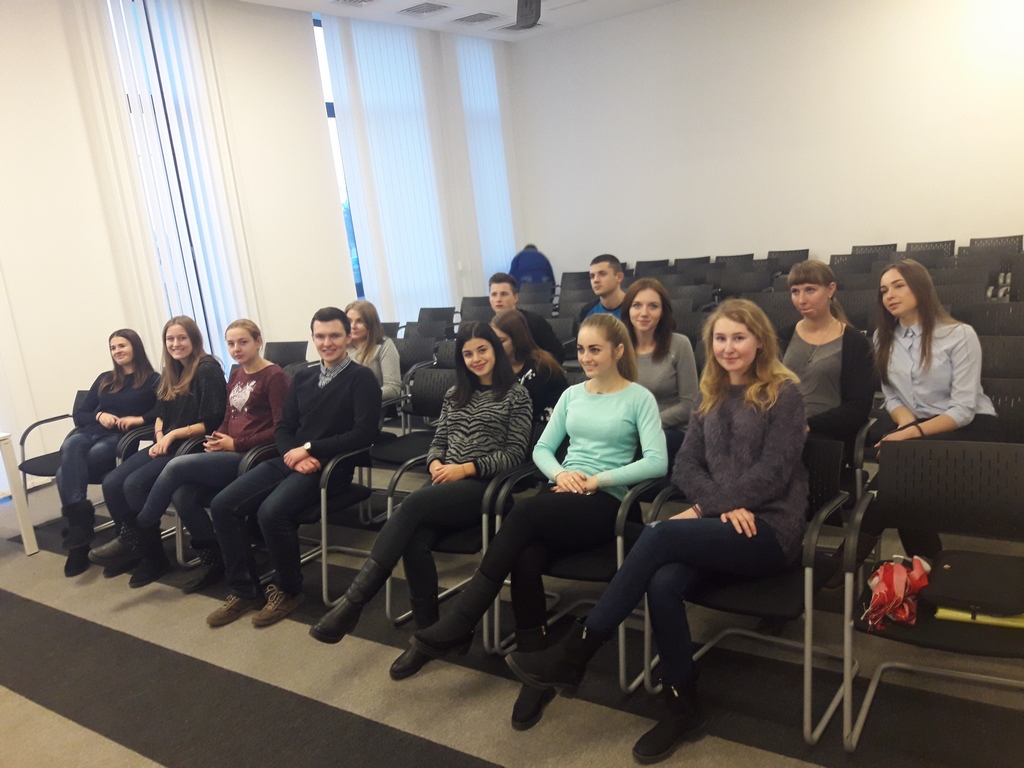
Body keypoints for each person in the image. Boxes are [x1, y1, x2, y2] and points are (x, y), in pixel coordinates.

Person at [506, 299, 808, 764]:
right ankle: (682, 704)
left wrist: (709, 507)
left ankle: (577, 651)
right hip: (721, 523)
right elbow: (685, 467)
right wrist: (718, 507)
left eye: (739, 337)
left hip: (771, 527)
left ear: (761, 341)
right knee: (663, 582)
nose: (728, 347)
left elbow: (774, 472)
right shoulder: (710, 393)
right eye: (720, 338)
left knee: (660, 534)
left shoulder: (784, 393)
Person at [408, 314, 667, 732]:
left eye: (595, 349)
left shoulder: (638, 398)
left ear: (618, 351)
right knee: (525, 554)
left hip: (608, 502)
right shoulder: (572, 394)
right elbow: (542, 449)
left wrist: (596, 480)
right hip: (563, 494)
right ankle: (536, 667)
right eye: (581, 349)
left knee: (524, 512)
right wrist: (561, 474)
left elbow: (657, 461)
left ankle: (462, 618)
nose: (585, 357)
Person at [307, 323, 533, 678]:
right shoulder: (455, 393)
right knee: (413, 539)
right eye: (468, 353)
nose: (476, 359)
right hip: (443, 487)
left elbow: (515, 454)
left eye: (482, 350)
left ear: (495, 351)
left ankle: (353, 603)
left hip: (486, 490)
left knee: (409, 506)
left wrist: (465, 469)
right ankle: (427, 637)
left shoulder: (516, 396)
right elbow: (437, 440)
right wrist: (436, 463)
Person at [204, 307, 381, 629]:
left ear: (347, 337)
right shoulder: (304, 377)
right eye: (320, 336)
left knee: (271, 512)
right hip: (292, 459)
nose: (327, 343)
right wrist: (292, 453)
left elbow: (364, 434)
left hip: (332, 468)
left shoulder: (361, 378)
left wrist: (310, 449)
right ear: (313, 338)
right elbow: (284, 427)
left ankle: (289, 591)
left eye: (335, 335)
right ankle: (245, 590)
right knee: (223, 505)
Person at [91, 319, 290, 591]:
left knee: (172, 469)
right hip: (221, 448)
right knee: (181, 495)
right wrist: (217, 437)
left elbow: (281, 429)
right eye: (231, 343)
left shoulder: (271, 376)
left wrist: (233, 443)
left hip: (250, 455)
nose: (236, 348)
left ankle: (136, 533)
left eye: (243, 342)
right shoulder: (236, 375)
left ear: (258, 341)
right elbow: (225, 418)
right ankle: (215, 560)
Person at [869, 258, 998, 557]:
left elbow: (963, 410)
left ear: (920, 287)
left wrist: (908, 435)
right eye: (884, 290)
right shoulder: (882, 338)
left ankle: (850, 559)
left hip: (969, 426)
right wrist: (905, 427)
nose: (890, 295)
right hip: (918, 424)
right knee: (901, 480)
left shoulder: (959, 334)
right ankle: (926, 565)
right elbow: (892, 397)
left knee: (900, 476)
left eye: (898, 286)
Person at [89, 317, 226, 587]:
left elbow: (212, 421)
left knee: (134, 484)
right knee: (113, 482)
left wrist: (172, 436)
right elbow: (161, 413)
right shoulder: (171, 370)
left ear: (194, 339)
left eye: (182, 338)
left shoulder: (207, 369)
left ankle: (148, 553)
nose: (175, 344)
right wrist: (161, 435)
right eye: (170, 339)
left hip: (194, 445)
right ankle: (137, 548)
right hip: (168, 442)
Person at [57, 329, 158, 577]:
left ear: (135, 347)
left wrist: (137, 419)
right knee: (70, 445)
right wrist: (99, 415)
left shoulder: (152, 380)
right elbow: (80, 414)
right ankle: (80, 531)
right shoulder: (105, 379)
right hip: (89, 432)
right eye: (113, 348)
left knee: (62, 474)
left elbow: (160, 411)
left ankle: (79, 540)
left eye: (122, 346)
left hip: (118, 439)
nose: (117, 351)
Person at [778, 260, 875, 451]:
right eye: (795, 291)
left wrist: (807, 425)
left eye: (810, 290)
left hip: (828, 436)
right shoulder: (782, 337)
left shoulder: (855, 343)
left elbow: (858, 408)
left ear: (830, 290)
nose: (801, 299)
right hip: (783, 431)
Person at [620, 278, 699, 462]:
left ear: (663, 312)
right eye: (637, 305)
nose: (644, 313)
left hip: (670, 431)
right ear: (628, 310)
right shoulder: (618, 348)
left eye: (653, 306)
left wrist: (644, 425)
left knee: (638, 448)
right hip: (628, 429)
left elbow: (689, 404)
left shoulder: (680, 344)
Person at [491, 309, 567, 422]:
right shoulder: (494, 366)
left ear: (516, 339)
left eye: (501, 341)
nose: (495, 346)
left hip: (543, 425)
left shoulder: (542, 367)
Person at [489, 272, 565, 363]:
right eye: (494, 294)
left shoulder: (535, 322)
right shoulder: (489, 326)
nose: (498, 299)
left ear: (515, 298)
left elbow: (558, 354)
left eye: (504, 294)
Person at [346, 300, 401, 402]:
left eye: (359, 321)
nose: (353, 326)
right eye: (349, 321)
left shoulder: (384, 345)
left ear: (370, 323)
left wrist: (362, 396)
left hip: (371, 404)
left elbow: (393, 388)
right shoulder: (341, 346)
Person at [578, 254, 627, 322]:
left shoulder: (634, 308)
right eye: (592, 276)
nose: (595, 280)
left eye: (602, 274)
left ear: (619, 277)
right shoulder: (587, 311)